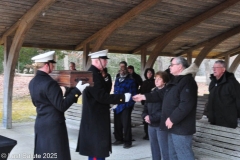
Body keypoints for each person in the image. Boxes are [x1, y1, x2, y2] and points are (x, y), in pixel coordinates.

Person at [133, 57, 198, 160]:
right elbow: (159, 94)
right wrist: (143, 97)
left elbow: (186, 104)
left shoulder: (187, 81)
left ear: (180, 67)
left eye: (172, 65)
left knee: (183, 155)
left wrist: (172, 118)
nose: (170, 67)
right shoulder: (175, 81)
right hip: (172, 127)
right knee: (172, 155)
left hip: (181, 128)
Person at [29, 51, 89, 160]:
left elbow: (35, 103)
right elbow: (62, 106)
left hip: (41, 123)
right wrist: (77, 91)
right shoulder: (50, 83)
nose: (54, 66)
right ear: (47, 65)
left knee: (43, 155)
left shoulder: (33, 82)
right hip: (53, 126)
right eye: (53, 64)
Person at [76, 49, 131, 160]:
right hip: (95, 120)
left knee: (98, 151)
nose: (106, 63)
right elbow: (102, 97)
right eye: (104, 60)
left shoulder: (95, 74)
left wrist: (106, 78)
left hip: (96, 117)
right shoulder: (93, 75)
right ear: (97, 60)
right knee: (97, 152)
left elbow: (102, 93)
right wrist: (122, 98)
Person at [142, 71, 169, 160]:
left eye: (159, 79)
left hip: (161, 125)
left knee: (164, 148)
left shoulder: (167, 93)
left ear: (164, 81)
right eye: (155, 79)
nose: (156, 81)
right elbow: (146, 106)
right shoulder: (152, 91)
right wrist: (145, 115)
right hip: (151, 124)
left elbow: (165, 110)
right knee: (154, 148)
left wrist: (151, 117)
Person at [206, 60, 240, 128]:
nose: (214, 69)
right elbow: (210, 99)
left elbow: (238, 100)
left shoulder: (232, 83)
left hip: (227, 120)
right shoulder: (213, 82)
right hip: (214, 119)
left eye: (217, 67)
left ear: (223, 69)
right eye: (213, 67)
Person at [112, 66, 137, 149]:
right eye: (121, 70)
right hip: (117, 104)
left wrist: (128, 105)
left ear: (127, 71)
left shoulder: (131, 81)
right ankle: (119, 139)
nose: (122, 71)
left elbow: (133, 94)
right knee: (117, 123)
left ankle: (127, 142)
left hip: (126, 105)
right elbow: (115, 92)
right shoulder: (117, 80)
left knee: (126, 124)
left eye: (124, 70)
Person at [140, 68, 155, 140]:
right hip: (146, 103)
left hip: (153, 103)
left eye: (151, 73)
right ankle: (147, 134)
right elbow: (142, 92)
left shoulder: (154, 82)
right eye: (148, 73)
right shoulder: (144, 82)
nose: (149, 74)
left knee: (152, 118)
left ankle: (152, 134)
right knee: (145, 118)